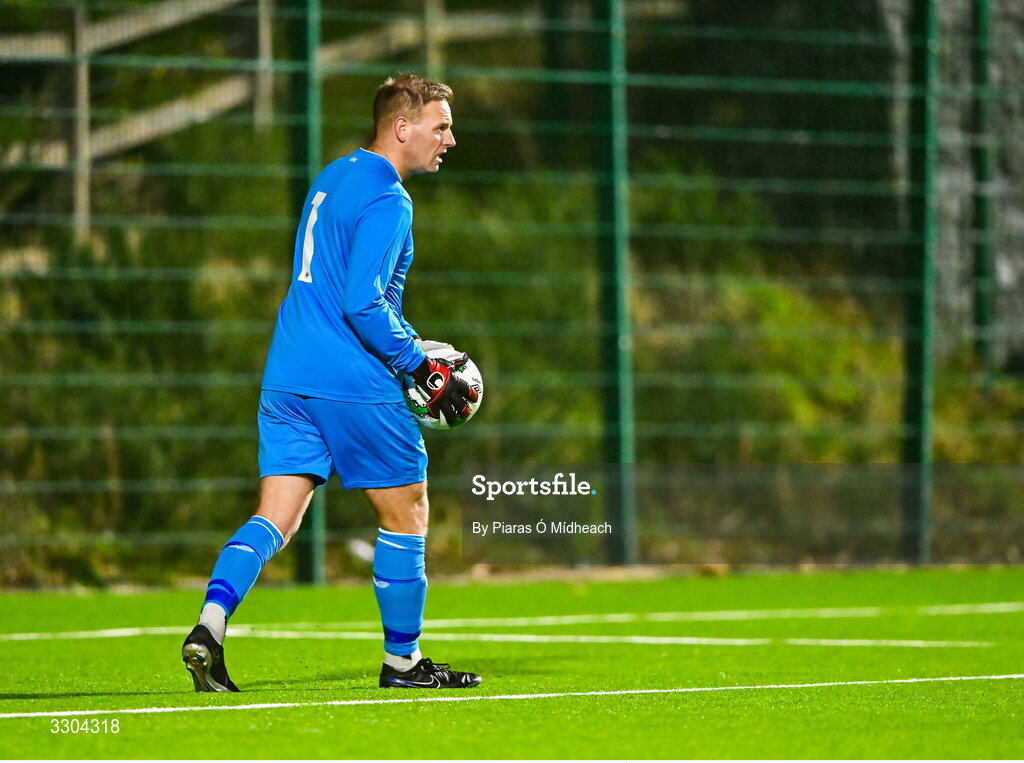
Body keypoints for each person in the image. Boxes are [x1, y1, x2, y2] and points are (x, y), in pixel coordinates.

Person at [181, 73, 481, 692]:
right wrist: (418, 364)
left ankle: (209, 624)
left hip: (288, 375)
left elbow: (341, 290)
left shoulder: (334, 175)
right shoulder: (392, 200)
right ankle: (403, 662)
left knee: (276, 520)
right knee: (408, 513)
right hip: (351, 380)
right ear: (403, 127)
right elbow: (363, 304)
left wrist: (413, 340)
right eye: (441, 126)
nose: (450, 138)